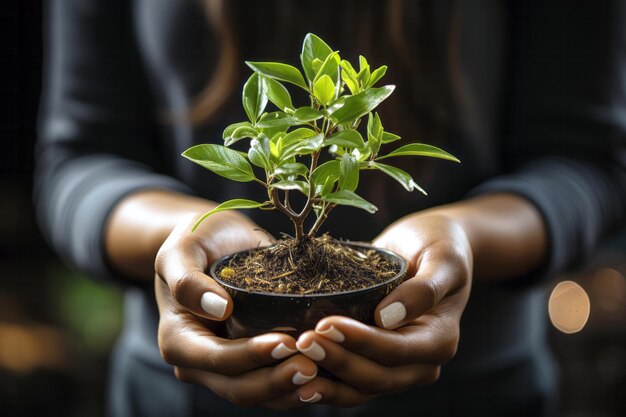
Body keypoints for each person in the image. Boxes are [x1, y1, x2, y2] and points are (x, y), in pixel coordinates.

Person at [34, 0, 626, 416]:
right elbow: (79, 161)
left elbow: (584, 162)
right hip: (174, 400)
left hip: (478, 392)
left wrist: (459, 235)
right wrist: (188, 232)